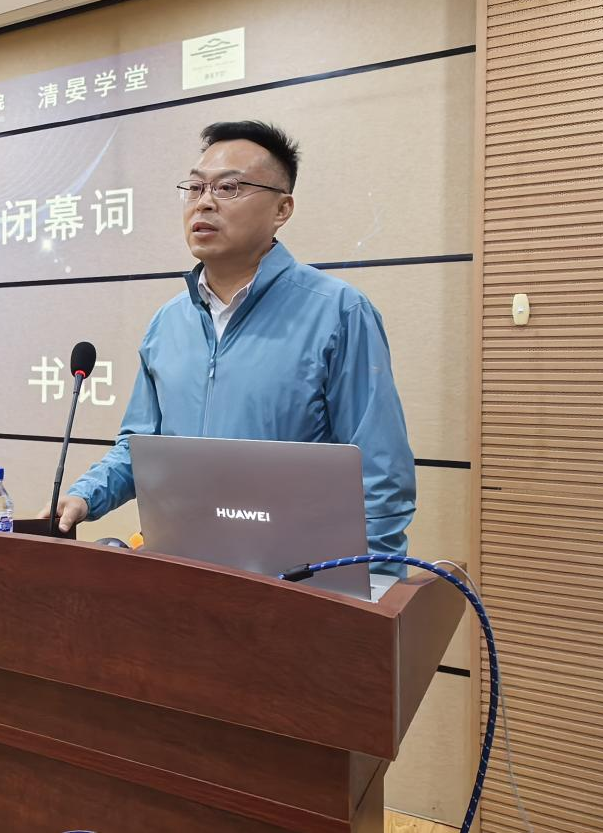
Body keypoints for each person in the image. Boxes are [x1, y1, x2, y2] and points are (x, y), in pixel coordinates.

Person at [38, 121, 416, 575]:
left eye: (228, 187)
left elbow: (378, 473)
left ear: (282, 209)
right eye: (195, 187)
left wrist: (373, 584)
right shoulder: (168, 323)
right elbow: (141, 449)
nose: (204, 202)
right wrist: (84, 495)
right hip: (182, 574)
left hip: (295, 583)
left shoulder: (338, 312)